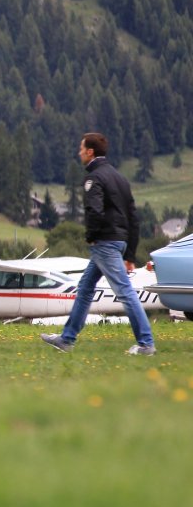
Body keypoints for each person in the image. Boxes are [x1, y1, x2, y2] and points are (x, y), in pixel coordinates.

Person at [41, 132, 156, 356]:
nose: (79, 153)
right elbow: (133, 218)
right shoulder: (120, 178)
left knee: (124, 292)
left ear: (90, 152)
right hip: (119, 242)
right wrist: (130, 254)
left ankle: (146, 344)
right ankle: (66, 339)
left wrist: (91, 236)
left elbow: (95, 211)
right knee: (85, 288)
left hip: (105, 242)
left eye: (81, 148)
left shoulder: (93, 179)